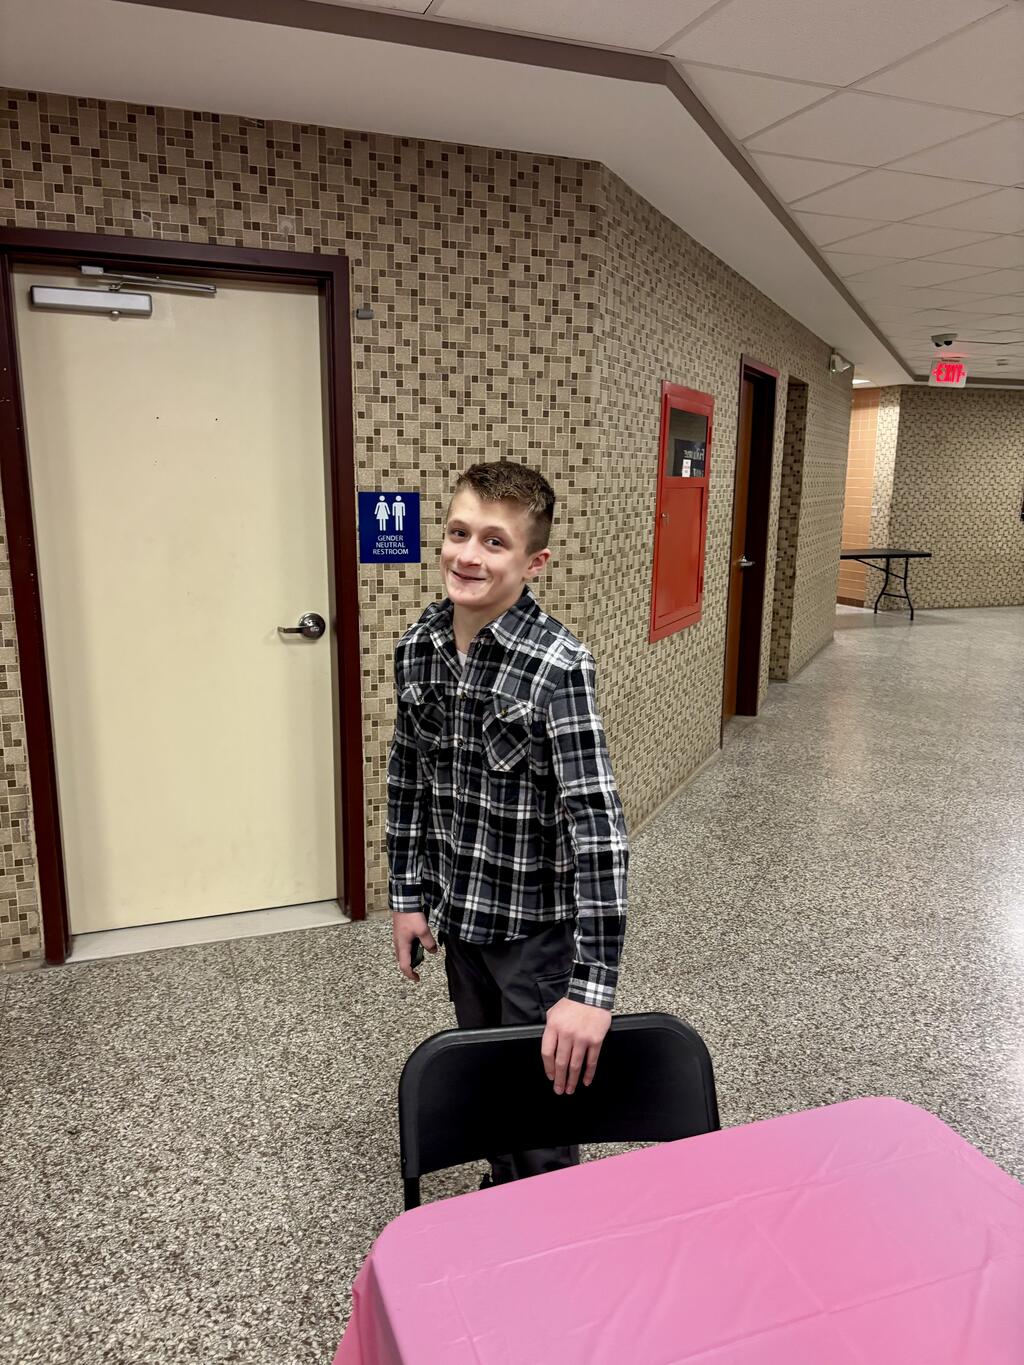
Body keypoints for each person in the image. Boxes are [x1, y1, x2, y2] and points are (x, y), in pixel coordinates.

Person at [387, 459, 628, 1185]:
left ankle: (550, 1217)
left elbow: (598, 827)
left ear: (533, 562)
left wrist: (591, 989)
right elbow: (407, 778)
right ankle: (502, 1195)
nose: (469, 555)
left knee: (542, 1104)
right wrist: (407, 897)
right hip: (462, 924)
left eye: (495, 541)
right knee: (490, 1081)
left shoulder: (558, 665)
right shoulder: (419, 647)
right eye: (459, 532)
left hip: (535, 937)